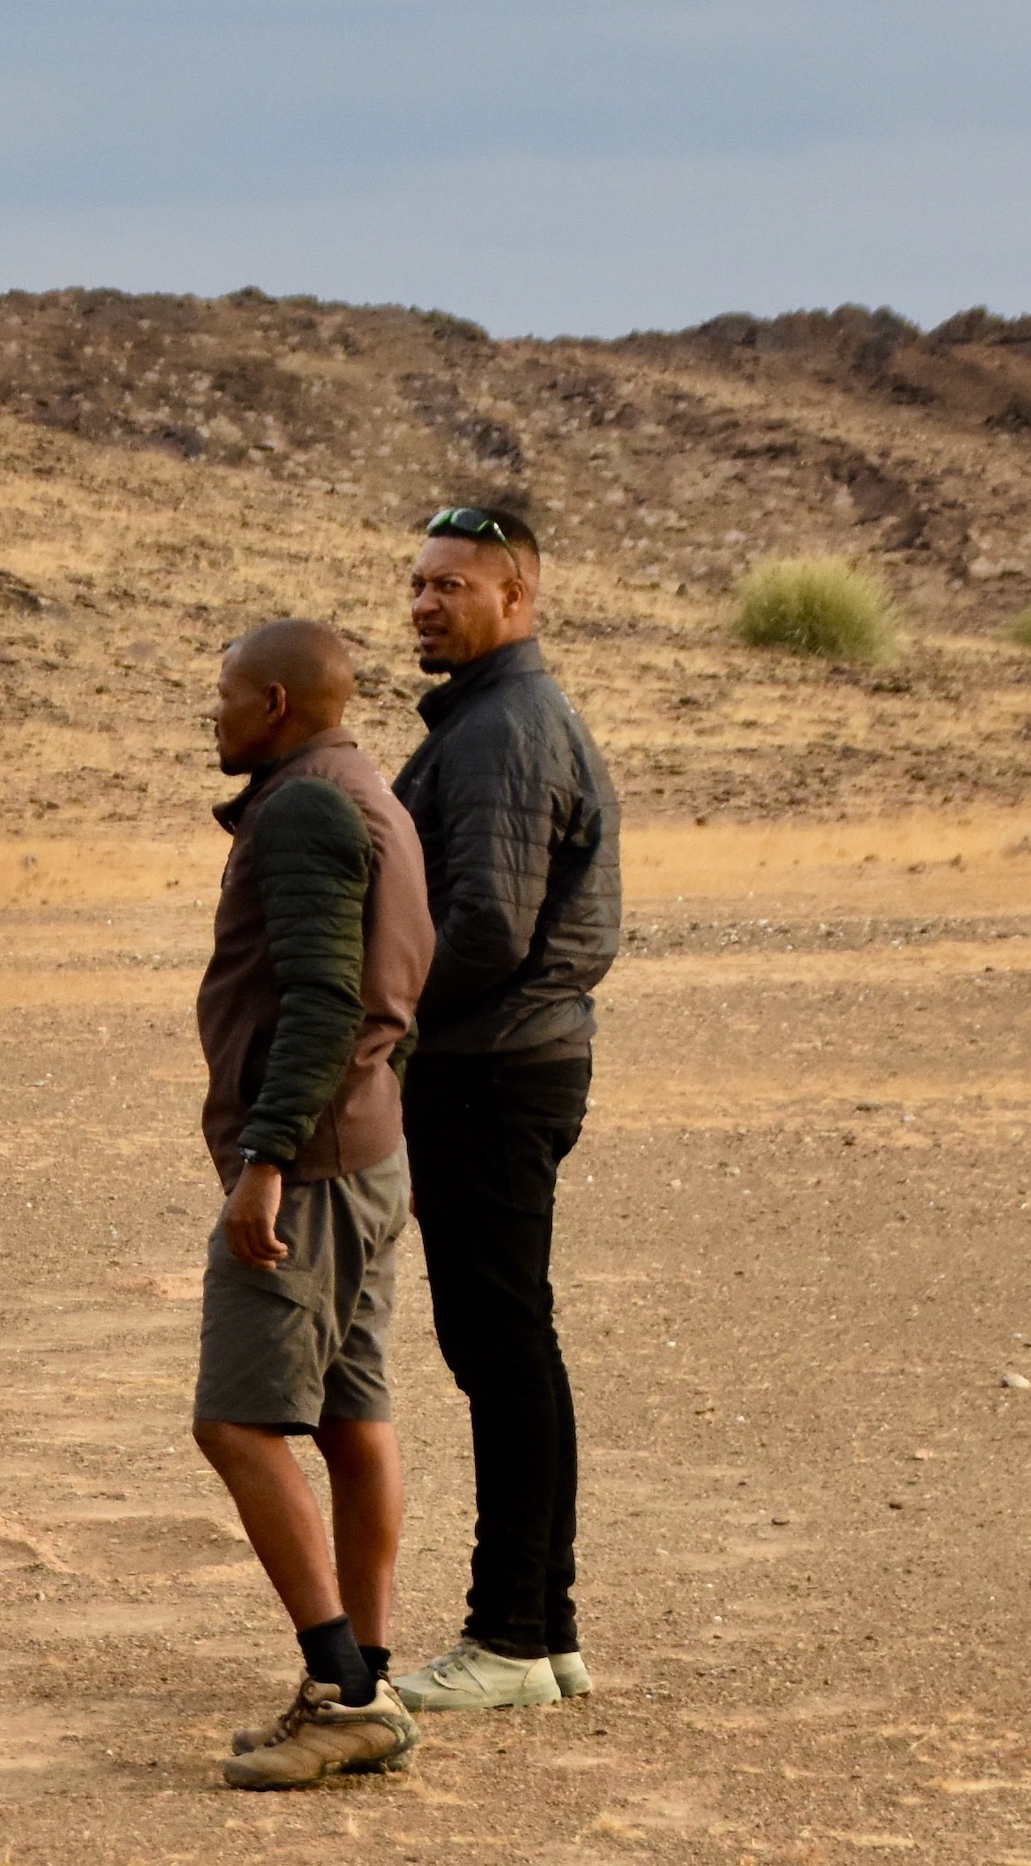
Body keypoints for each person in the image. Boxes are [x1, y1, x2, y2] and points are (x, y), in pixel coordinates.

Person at [189, 621, 434, 1790]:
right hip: (368, 1146)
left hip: (318, 1162)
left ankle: (343, 1688)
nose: (215, 714)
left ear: (275, 702)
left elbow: (324, 998)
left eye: (227, 696)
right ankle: (366, 1681)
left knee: (235, 1421)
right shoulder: (366, 792)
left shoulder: (301, 811)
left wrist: (266, 1155)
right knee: (349, 1414)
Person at [389, 504, 621, 1714]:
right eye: (417, 584)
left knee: (501, 1350)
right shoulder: (487, 718)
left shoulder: (501, 730)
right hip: (504, 1063)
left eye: (453, 587)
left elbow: (483, 926)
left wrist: (383, 1029)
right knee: (511, 1344)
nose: (425, 604)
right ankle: (548, 1629)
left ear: (518, 599)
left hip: (491, 1067)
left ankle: (510, 1638)